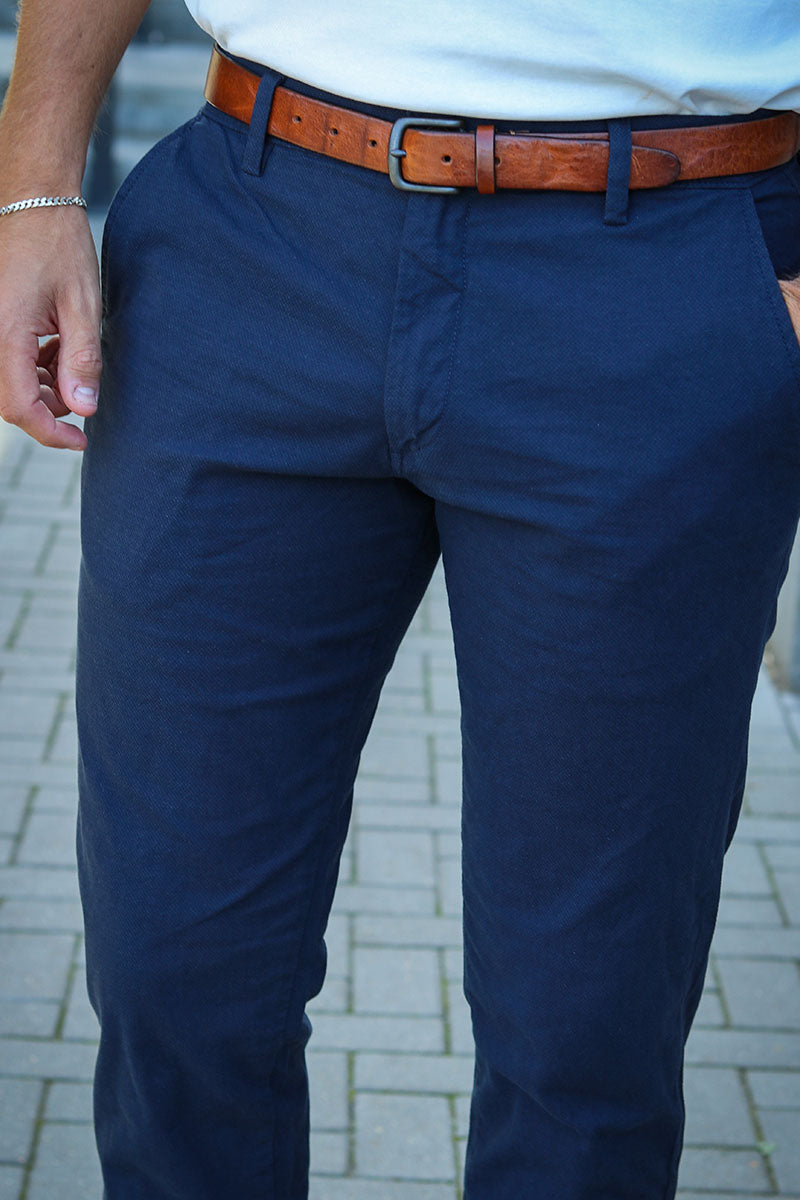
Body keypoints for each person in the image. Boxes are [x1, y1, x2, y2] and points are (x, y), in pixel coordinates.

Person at [1, 1, 800, 1196]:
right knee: (172, 963)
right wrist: (32, 188)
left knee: (589, 1025)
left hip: (663, 256)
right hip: (255, 227)